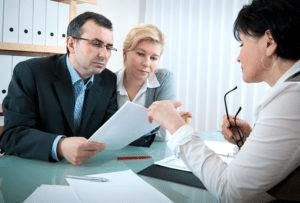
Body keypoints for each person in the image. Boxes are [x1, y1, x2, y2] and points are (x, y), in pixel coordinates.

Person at [147, 0, 300, 202]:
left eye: (242, 44)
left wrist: (175, 125)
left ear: (269, 42)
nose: (238, 57)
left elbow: (230, 191)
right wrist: (250, 141)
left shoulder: (292, 96)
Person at [0, 12, 118, 166]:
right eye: (96, 44)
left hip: (86, 171)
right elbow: (12, 135)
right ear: (71, 44)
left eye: (109, 47)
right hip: (37, 169)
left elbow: (111, 128)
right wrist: (60, 146)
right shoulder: (30, 72)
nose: (104, 54)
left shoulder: (108, 79)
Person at [116, 23, 176, 146]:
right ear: (125, 54)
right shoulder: (109, 81)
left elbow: (162, 133)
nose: (146, 63)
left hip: (154, 152)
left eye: (154, 58)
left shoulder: (164, 78)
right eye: (140, 54)